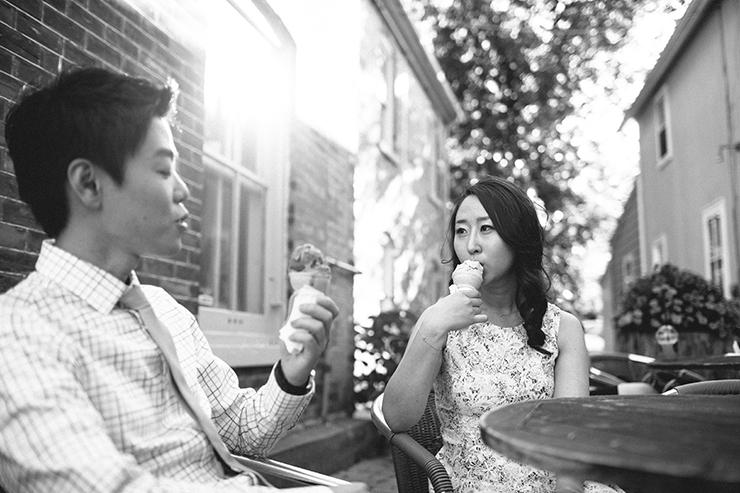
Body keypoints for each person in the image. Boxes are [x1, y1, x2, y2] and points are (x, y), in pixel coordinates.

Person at [0, 67, 365, 493]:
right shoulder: (18, 336)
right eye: (162, 169)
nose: (184, 190)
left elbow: (245, 431)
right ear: (88, 183)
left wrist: (293, 368)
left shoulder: (165, 311)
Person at [382, 176, 623, 493]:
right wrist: (431, 329)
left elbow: (570, 434)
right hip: (467, 485)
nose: (471, 246)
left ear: (516, 238)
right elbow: (397, 418)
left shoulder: (563, 327)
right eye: (461, 231)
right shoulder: (438, 320)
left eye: (486, 228)